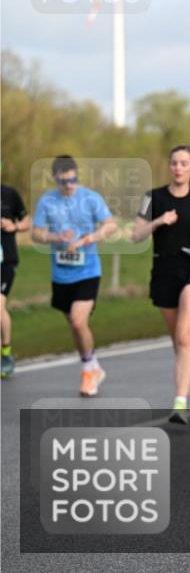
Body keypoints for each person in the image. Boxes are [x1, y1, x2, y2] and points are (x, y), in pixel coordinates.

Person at [132, 145, 190, 422]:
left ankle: (180, 402)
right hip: (163, 269)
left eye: (184, 163)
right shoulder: (153, 198)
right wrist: (159, 221)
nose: (178, 168)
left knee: (185, 335)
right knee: (179, 341)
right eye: (174, 163)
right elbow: (136, 235)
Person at [31, 156, 117, 396]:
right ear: (55, 178)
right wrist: (56, 238)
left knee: (79, 321)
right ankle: (92, 365)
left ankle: (88, 373)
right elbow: (36, 234)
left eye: (73, 179)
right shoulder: (47, 201)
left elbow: (110, 225)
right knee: (75, 327)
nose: (69, 185)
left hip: (88, 270)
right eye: (64, 181)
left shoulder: (90, 198)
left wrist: (86, 240)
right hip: (61, 274)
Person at [1, 183, 31, 378]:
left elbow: (27, 221)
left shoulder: (9, 194)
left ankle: (6, 354)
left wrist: (14, 226)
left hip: (5, 260)